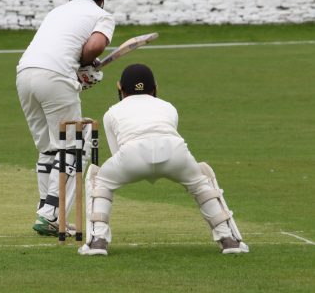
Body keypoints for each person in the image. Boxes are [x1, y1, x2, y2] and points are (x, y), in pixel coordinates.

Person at [79, 64, 249, 255]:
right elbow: (168, 134)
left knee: (99, 178)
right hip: (175, 152)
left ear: (120, 87)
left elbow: (116, 152)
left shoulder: (111, 112)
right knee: (202, 181)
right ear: (155, 87)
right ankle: (229, 239)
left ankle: (98, 241)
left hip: (132, 155)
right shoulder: (168, 107)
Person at [16, 0, 115, 236]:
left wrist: (78, 66)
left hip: (24, 74)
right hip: (56, 76)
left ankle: (46, 210)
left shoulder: (57, 12)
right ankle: (52, 216)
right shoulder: (101, 15)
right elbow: (94, 45)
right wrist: (83, 64)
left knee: (49, 148)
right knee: (73, 149)